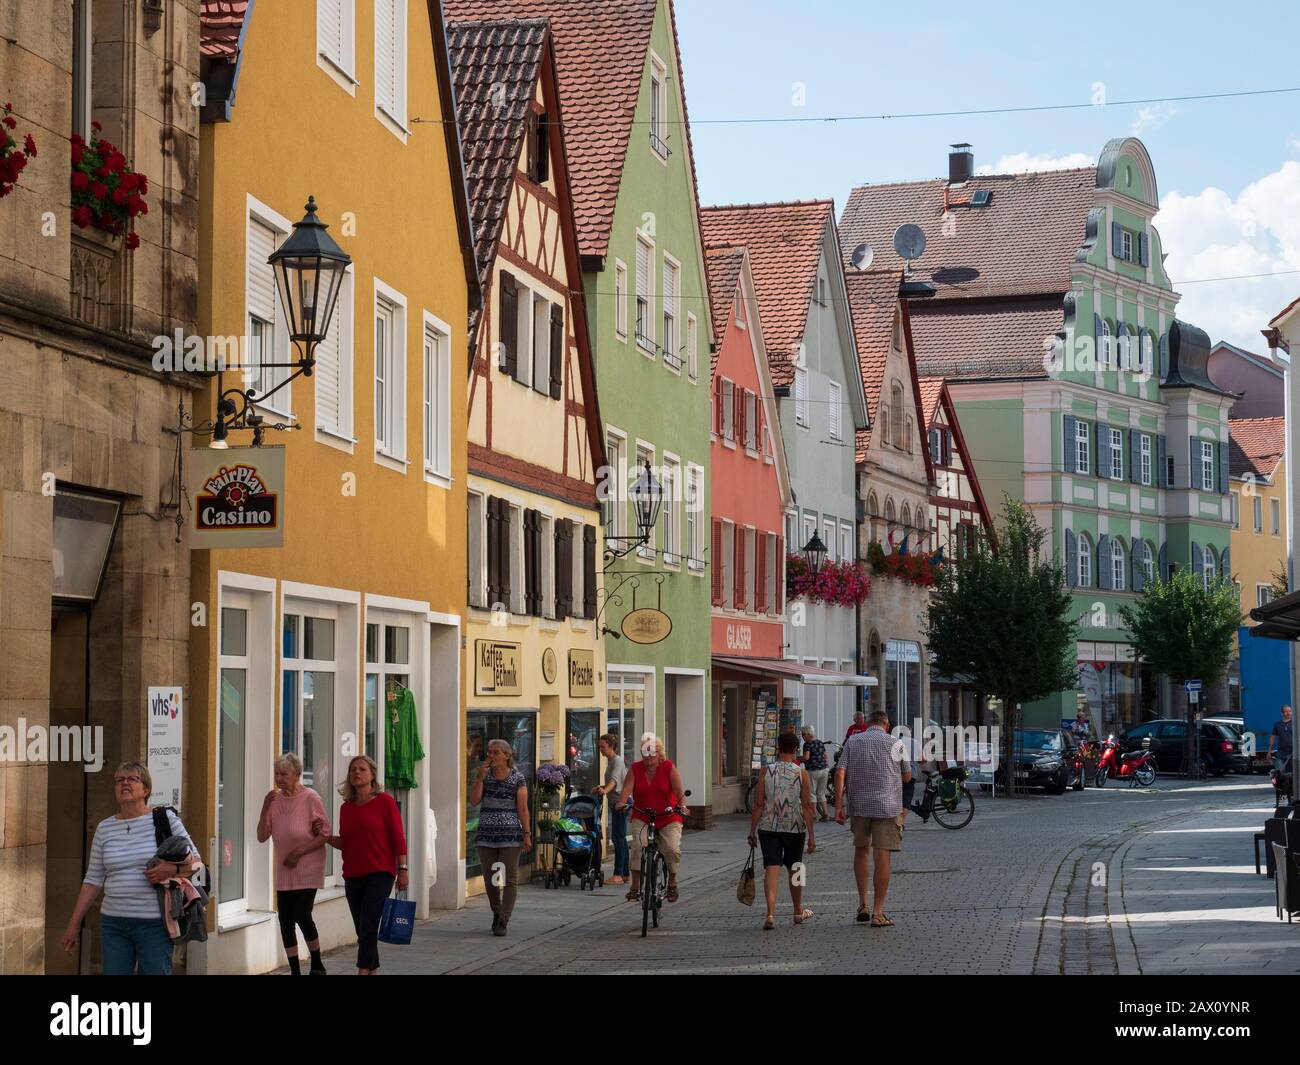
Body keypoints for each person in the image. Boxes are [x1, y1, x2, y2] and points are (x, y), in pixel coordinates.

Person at [61, 762, 201, 975]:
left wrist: (170, 870)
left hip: (155, 924)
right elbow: (93, 879)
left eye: (132, 778)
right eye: (119, 780)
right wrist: (73, 924)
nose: (124, 783)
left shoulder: (164, 820)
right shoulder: (105, 828)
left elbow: (196, 863)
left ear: (146, 789)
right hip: (114, 923)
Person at [325, 755, 407, 974]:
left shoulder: (385, 802)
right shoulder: (346, 808)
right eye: (353, 769)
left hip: (380, 872)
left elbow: (398, 838)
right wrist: (325, 837)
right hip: (353, 874)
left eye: (362, 769)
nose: (357, 773)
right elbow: (346, 843)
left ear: (372, 775)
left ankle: (362, 971)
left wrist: (403, 869)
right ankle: (373, 971)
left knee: (369, 924)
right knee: (363, 930)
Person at [835, 710, 911, 928]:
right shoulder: (896, 743)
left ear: (867, 724)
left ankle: (862, 904)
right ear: (886, 725)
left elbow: (840, 772)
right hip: (887, 806)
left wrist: (839, 805)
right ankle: (878, 912)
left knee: (861, 850)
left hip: (859, 805)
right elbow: (907, 776)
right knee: (882, 855)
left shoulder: (853, 740)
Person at [257, 752, 329, 975]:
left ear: (297, 775)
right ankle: (295, 970)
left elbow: (325, 834)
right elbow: (261, 836)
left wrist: (299, 852)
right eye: (276, 774)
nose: (279, 778)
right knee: (285, 919)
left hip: (308, 866)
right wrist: (264, 808)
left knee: (302, 914)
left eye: (284, 774)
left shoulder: (311, 798)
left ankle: (317, 963)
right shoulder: (274, 800)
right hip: (285, 868)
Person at [748, 732, 816, 930]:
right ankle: (797, 911)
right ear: (796, 750)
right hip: (795, 828)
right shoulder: (801, 773)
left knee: (771, 867)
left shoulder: (765, 771)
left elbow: (758, 804)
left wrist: (752, 831)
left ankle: (770, 914)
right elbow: (806, 806)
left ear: (778, 748)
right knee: (796, 867)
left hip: (769, 827)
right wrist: (812, 836)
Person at [468, 738, 531, 936]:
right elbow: (474, 800)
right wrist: (480, 777)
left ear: (506, 755)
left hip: (510, 835)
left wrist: (526, 833)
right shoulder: (484, 776)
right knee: (491, 878)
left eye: (495, 752)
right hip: (487, 834)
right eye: (489, 752)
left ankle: (504, 919)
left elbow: (522, 808)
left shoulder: (517, 778)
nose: (490, 756)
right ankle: (496, 912)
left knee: (509, 878)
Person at [616, 733, 688, 904]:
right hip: (642, 815)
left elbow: (679, 792)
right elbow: (626, 790)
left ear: (659, 753)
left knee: (671, 849)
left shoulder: (669, 767)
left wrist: (683, 806)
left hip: (668, 815)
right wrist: (621, 803)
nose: (648, 756)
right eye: (645, 753)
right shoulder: (635, 768)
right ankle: (635, 886)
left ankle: (672, 881)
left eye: (652, 752)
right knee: (638, 847)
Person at [593, 734, 629, 884]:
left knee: (618, 838)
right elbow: (613, 781)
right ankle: (625, 874)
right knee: (620, 839)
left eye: (603, 746)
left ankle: (618, 875)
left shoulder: (617, 761)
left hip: (621, 803)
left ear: (611, 746)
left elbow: (614, 781)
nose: (600, 749)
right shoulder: (611, 761)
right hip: (616, 803)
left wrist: (605, 790)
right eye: (600, 746)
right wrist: (601, 788)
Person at [801, 725, 830, 822]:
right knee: (821, 794)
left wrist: (797, 759)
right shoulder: (820, 742)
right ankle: (825, 814)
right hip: (824, 771)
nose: (802, 737)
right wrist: (826, 767)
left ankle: (813, 815)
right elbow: (826, 756)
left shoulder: (807, 744)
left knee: (812, 793)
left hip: (812, 771)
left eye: (803, 735)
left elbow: (806, 757)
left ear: (808, 734)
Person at [1267, 704, 1293, 772]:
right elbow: (1272, 737)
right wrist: (1269, 751)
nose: (1288, 713)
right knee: (1279, 772)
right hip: (1281, 753)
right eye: (1286, 711)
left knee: (1293, 774)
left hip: (1293, 753)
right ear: (1281, 713)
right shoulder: (1277, 724)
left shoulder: (1296, 723)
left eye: (1290, 711)